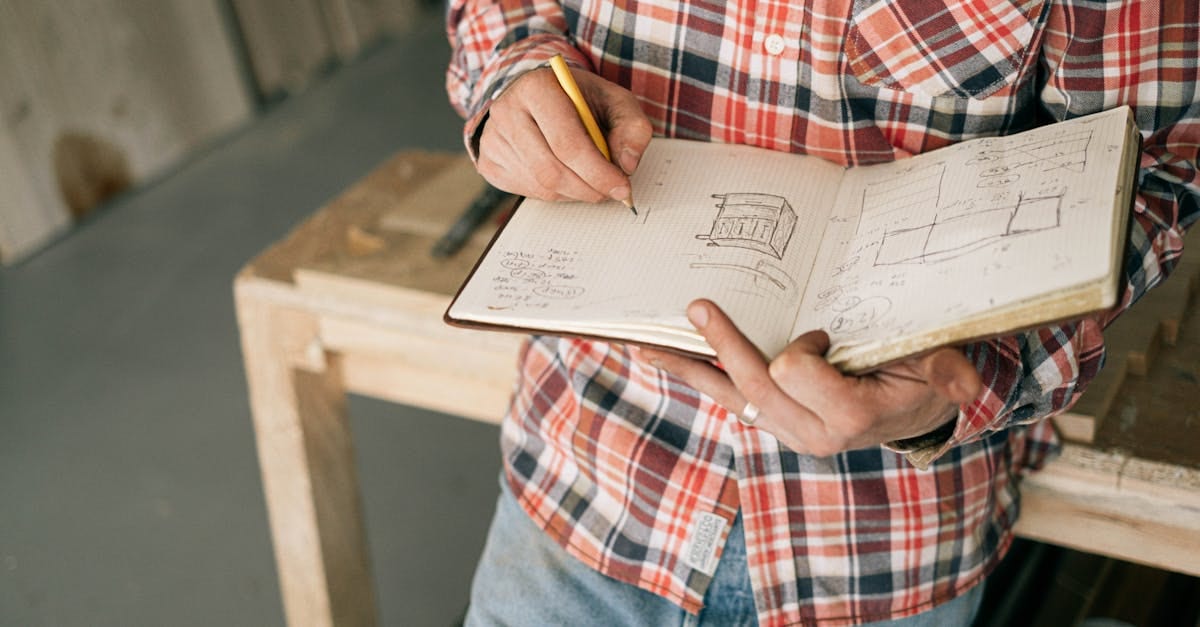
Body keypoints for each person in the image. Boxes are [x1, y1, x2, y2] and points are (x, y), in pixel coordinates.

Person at [445, 1, 1199, 625]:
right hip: (584, 479)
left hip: (884, 548)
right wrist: (512, 78)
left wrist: (965, 385)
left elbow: (1150, 170)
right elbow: (497, 12)